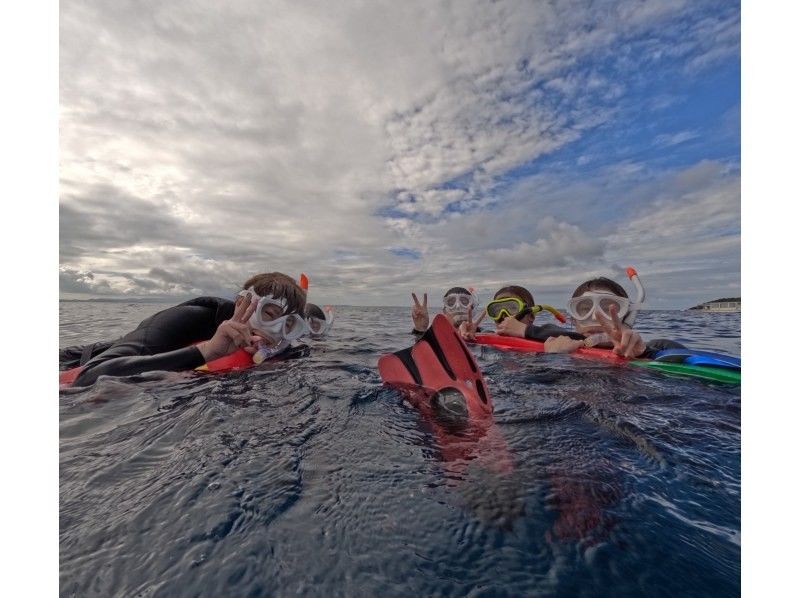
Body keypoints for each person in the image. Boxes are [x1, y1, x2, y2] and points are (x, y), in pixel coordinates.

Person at [66, 272, 308, 387]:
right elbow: (88, 376)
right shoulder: (188, 319)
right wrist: (208, 351)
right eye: (269, 314)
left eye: (288, 325)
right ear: (241, 303)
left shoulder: (278, 344)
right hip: (69, 365)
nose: (276, 330)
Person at [543, 276, 685, 358]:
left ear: (625, 318)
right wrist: (554, 357)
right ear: (574, 319)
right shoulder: (555, 346)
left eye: (608, 310)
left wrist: (644, 356)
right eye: (585, 309)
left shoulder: (661, 349)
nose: (596, 317)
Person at [459, 285, 578, 342]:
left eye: (512, 308)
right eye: (497, 309)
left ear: (531, 316)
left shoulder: (546, 333)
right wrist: (469, 335)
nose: (504, 315)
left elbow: (578, 338)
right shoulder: (489, 336)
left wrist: (525, 330)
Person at [411, 287, 480, 335]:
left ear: (472, 308)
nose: (458, 306)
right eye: (451, 303)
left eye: (464, 302)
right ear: (445, 311)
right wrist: (420, 330)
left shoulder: (483, 333)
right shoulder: (437, 337)